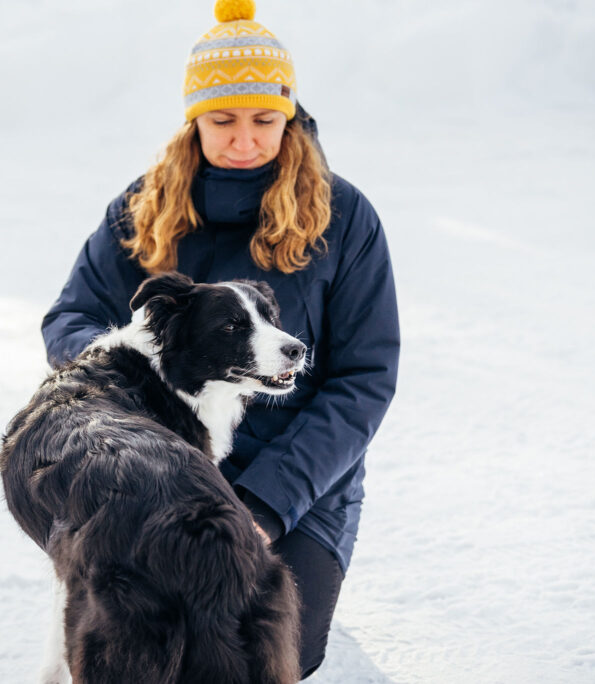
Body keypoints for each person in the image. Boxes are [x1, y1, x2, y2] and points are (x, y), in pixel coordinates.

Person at [41, 0, 399, 678]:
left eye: (264, 120)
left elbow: (364, 381)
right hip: (156, 473)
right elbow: (70, 319)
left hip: (293, 481)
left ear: (289, 116)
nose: (243, 140)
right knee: (134, 642)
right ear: (193, 121)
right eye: (222, 120)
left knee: (255, 649)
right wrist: (123, 375)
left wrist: (263, 503)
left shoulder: (346, 219)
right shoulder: (145, 205)